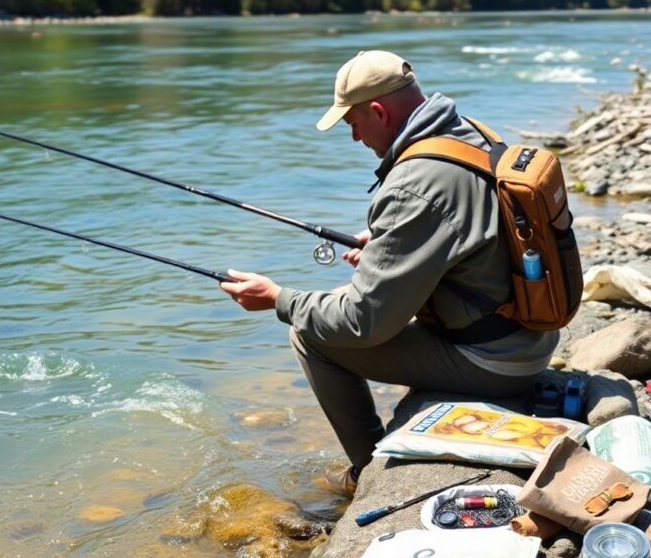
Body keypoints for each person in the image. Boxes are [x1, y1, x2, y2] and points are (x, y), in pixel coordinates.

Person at [219, 51, 557, 497]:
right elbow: (463, 233)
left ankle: (367, 469)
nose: (356, 137)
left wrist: (278, 299)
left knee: (311, 333)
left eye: (353, 125)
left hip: (499, 361)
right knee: (333, 309)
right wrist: (389, 243)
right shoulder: (467, 133)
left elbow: (363, 321)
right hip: (529, 334)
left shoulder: (416, 183)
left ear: (378, 111)